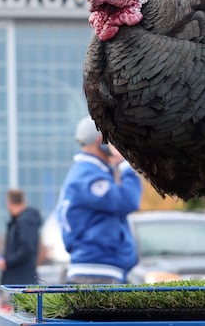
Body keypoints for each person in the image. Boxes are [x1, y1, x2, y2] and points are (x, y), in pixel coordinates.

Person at [56, 115, 143, 284]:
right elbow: (128, 200)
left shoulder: (86, 172)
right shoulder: (90, 176)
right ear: (100, 141)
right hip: (98, 269)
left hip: (97, 265)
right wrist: (125, 163)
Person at [0, 188, 43, 288]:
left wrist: (7, 262)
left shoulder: (24, 221)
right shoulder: (23, 221)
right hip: (22, 280)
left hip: (21, 282)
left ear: (9, 203)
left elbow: (26, 249)